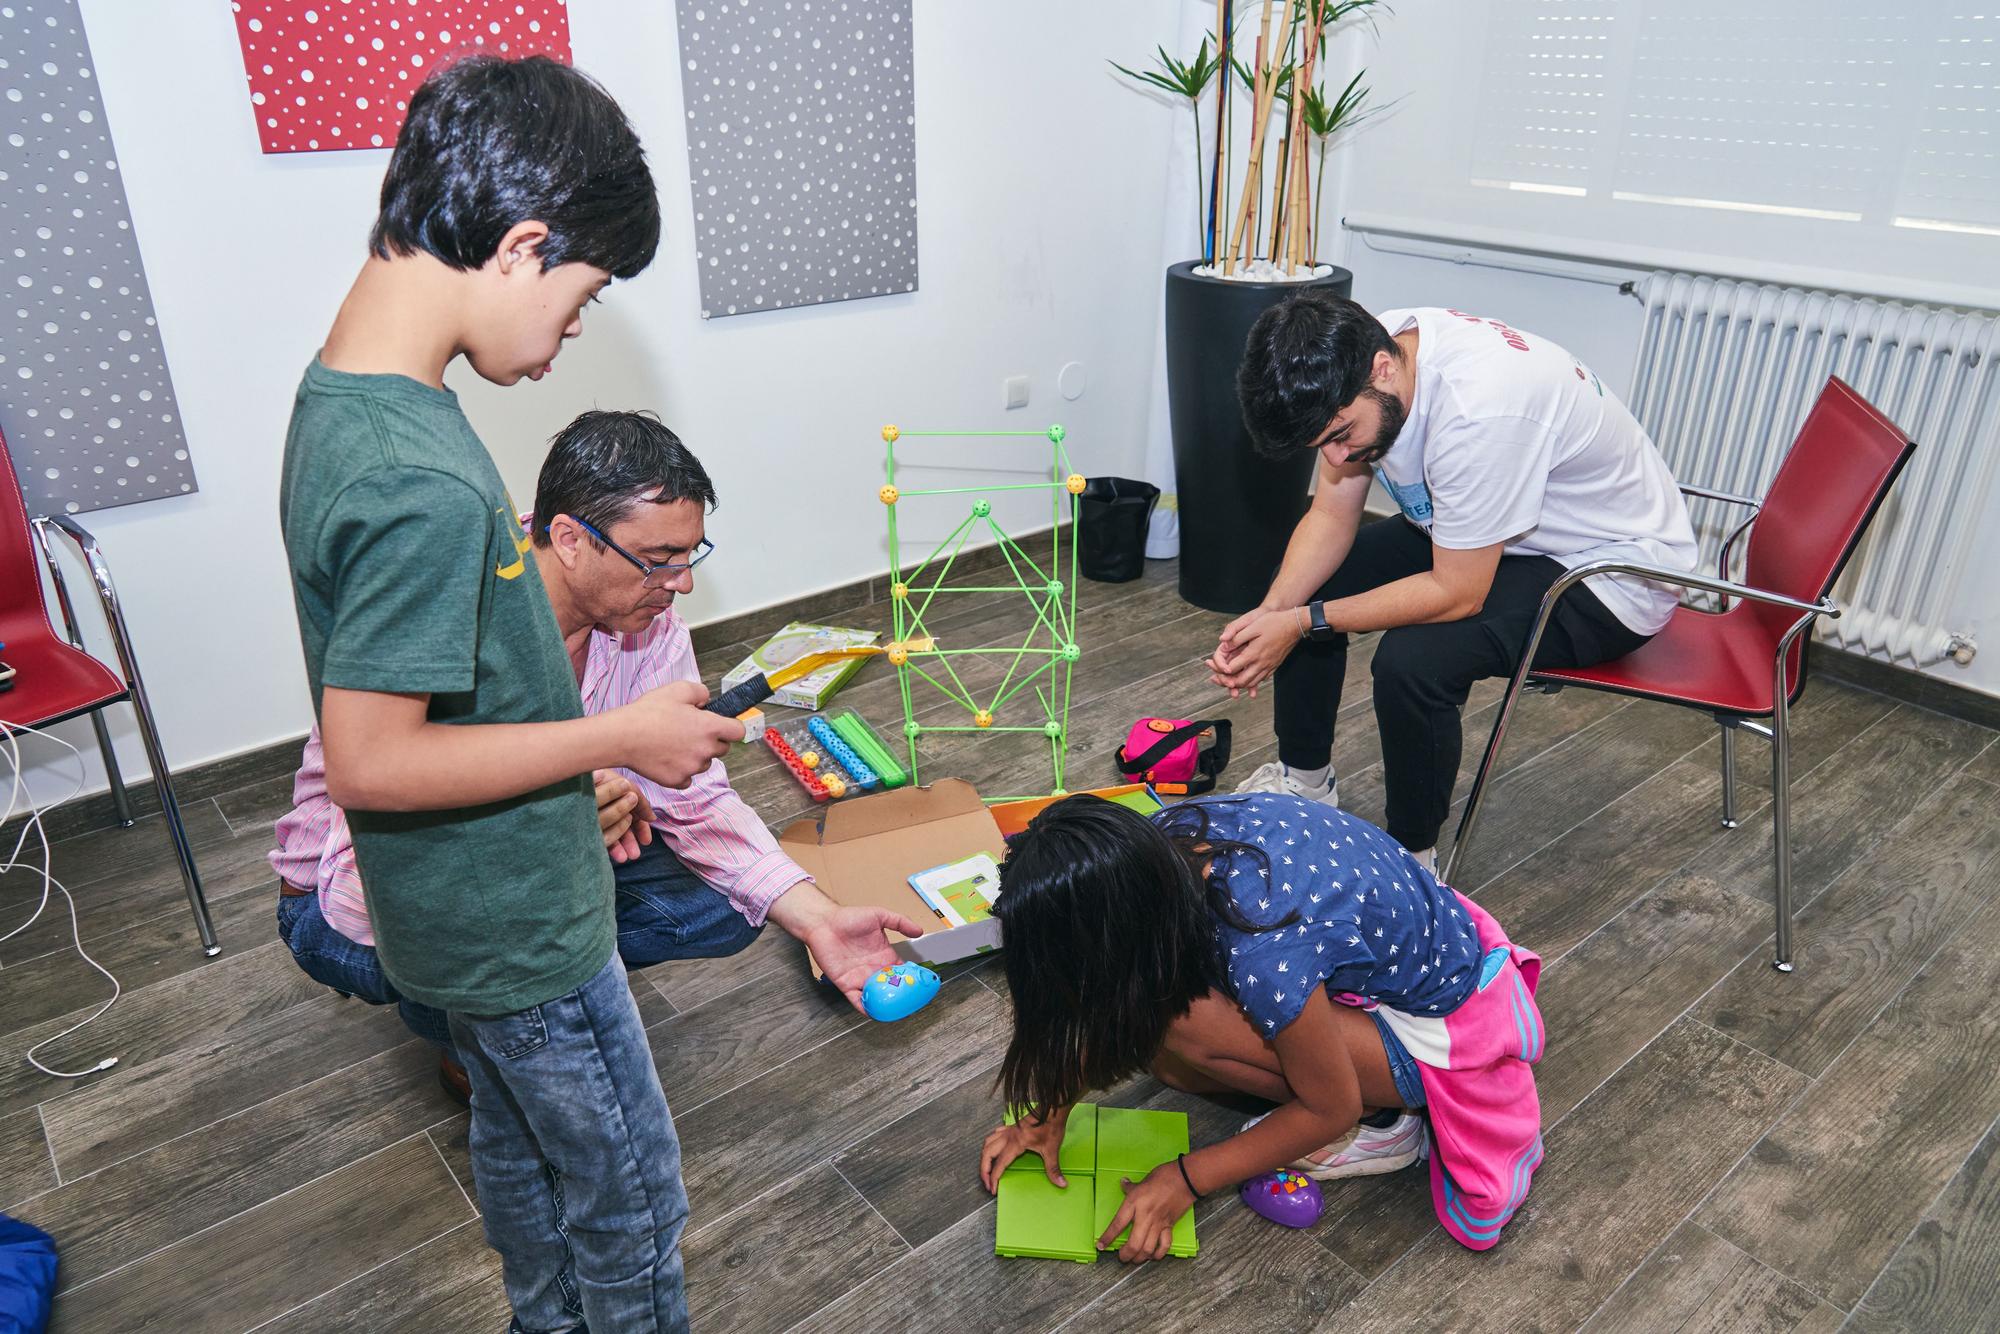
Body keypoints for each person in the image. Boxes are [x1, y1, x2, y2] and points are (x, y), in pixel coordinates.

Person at [282, 55, 742, 1332]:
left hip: (450, 923)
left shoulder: (350, 404)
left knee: (520, 1154)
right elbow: (372, 759)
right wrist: (625, 732)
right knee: (632, 1196)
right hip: (517, 928)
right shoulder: (419, 473)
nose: (576, 327)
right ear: (522, 245)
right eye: (584, 293)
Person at [273, 411, 922, 1103]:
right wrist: (553, 823)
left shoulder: (644, 618)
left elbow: (696, 798)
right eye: (660, 561)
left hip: (522, 871)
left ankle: (543, 986)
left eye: (690, 557)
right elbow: (361, 896)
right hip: (349, 906)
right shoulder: (445, 614)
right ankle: (468, 1035)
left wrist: (819, 919)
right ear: (570, 539)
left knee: (732, 906)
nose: (682, 585)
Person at [1212, 297, 1698, 868]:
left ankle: (1413, 860)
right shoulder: (1368, 351)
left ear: (1382, 369)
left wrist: (1299, 624)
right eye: (1325, 445)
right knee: (1303, 586)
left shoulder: (1480, 413)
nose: (1340, 456)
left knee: (1414, 662)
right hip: (1504, 534)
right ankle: (1306, 783)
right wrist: (1271, 615)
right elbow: (1329, 516)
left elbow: (1457, 592)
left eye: (1343, 434)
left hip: (1609, 573)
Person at [977, 792, 1544, 1260]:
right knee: (1168, 1045)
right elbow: (1108, 990)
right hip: (1402, 961)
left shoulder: (1261, 952)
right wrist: (1049, 1112)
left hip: (1444, 1031)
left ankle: (1387, 1124)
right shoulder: (1155, 845)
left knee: (1183, 1028)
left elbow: (1330, 1110)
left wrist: (1186, 1177)